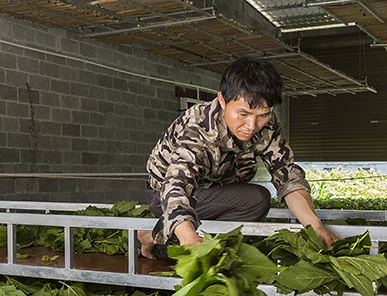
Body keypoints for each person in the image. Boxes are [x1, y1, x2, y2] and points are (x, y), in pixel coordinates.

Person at [138, 56, 338, 258]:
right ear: (223, 100)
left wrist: (316, 226)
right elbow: (176, 184)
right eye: (243, 114)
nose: (252, 126)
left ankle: (162, 237)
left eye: (263, 115)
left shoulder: (267, 124)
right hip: (165, 193)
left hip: (217, 190)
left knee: (256, 200)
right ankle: (157, 236)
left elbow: (287, 176)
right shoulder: (198, 127)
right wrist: (188, 236)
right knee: (189, 234)